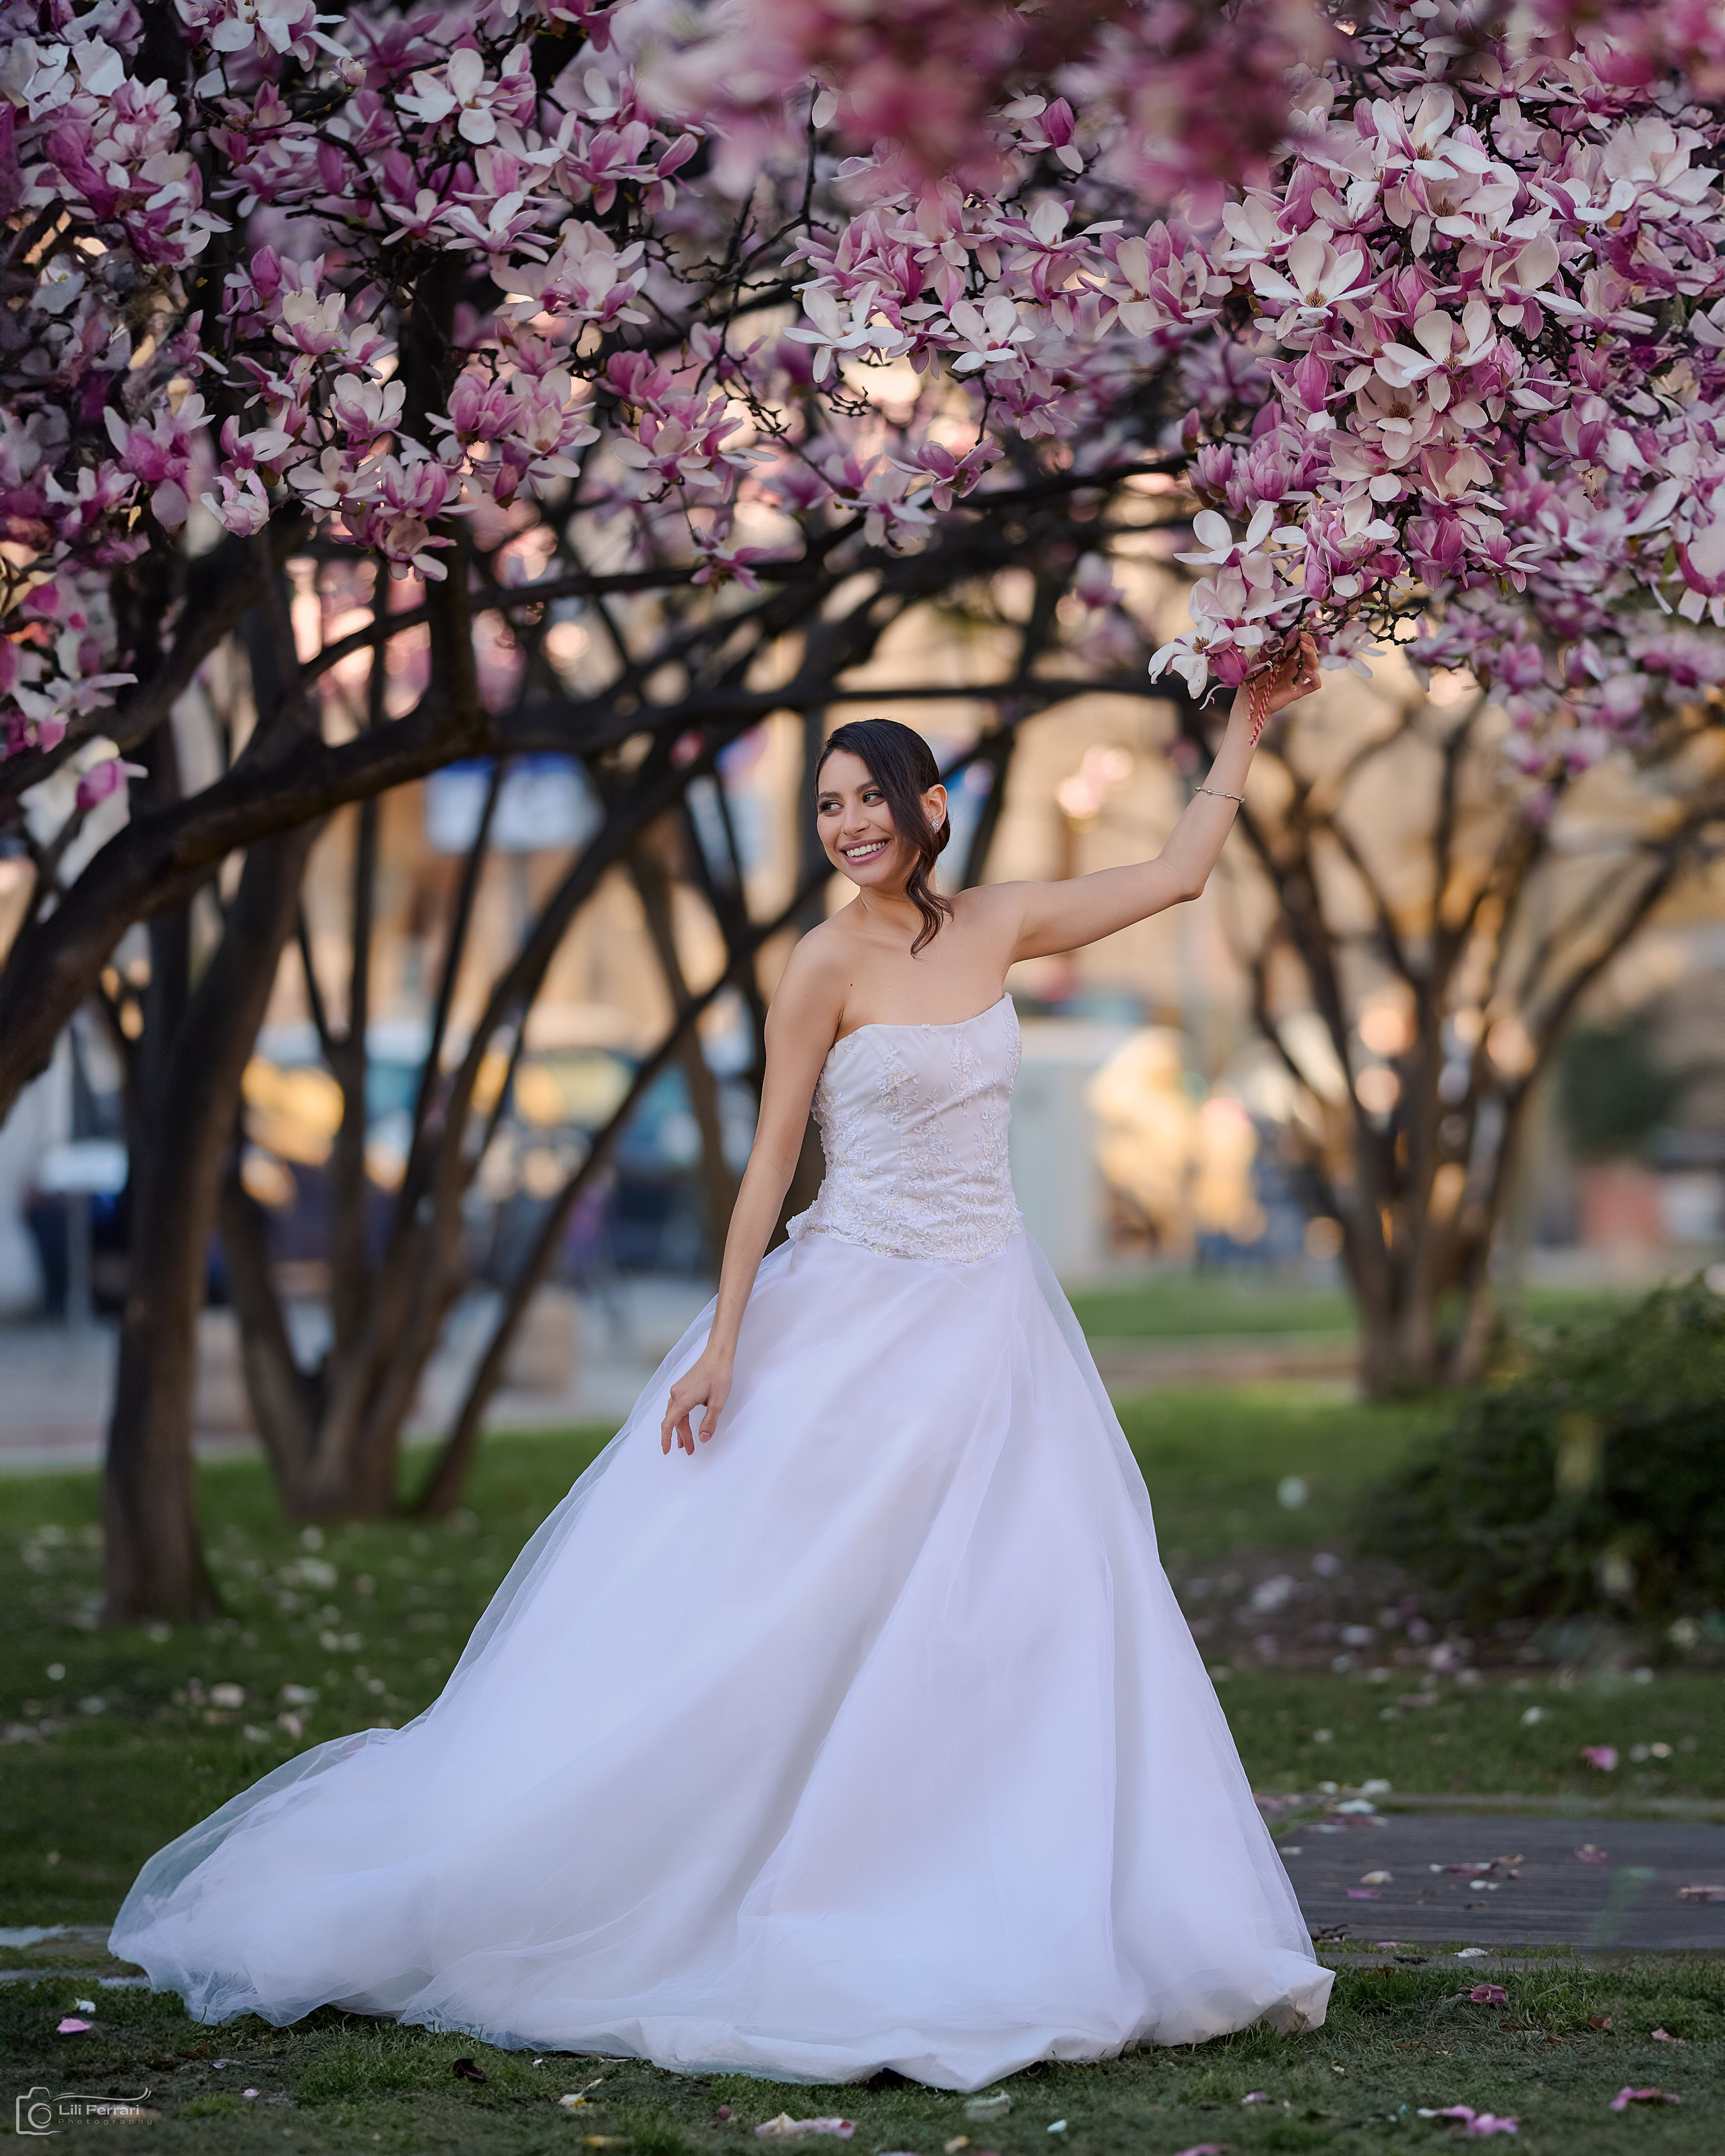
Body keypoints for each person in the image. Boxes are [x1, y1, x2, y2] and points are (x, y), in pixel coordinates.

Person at [112, 637, 1331, 2092]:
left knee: (1021, 1604)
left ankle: (997, 1872)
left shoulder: (997, 924)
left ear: (929, 807)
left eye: (870, 796)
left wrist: (1245, 725)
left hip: (990, 1316)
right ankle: (724, 1869)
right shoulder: (820, 960)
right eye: (826, 805)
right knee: (786, 1613)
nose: (848, 823)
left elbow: (1179, 872)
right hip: (853, 1310)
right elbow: (768, 1166)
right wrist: (725, 1342)